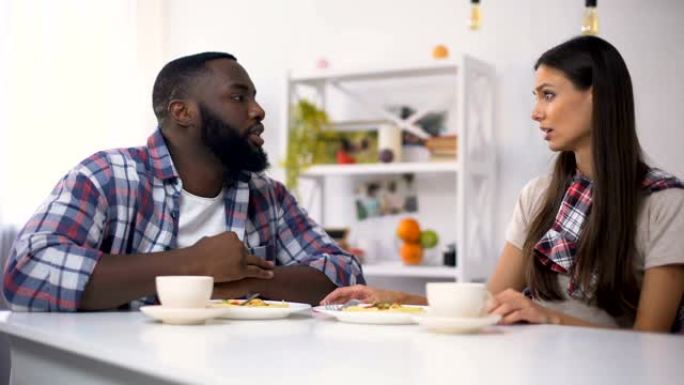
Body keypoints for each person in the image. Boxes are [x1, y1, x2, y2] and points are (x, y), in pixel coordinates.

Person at [321, 36, 684, 333]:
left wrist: (549, 317)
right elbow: (488, 301)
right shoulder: (539, 196)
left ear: (597, 96)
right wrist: (394, 298)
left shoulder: (666, 204)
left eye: (548, 94)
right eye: (536, 97)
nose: (535, 112)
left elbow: (650, 339)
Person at [2, 52, 364, 311]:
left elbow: (344, 273)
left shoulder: (267, 196)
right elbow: (27, 271)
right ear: (182, 112)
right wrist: (192, 264)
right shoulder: (107, 176)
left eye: (254, 97)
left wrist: (243, 281)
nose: (258, 110)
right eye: (239, 97)